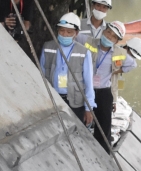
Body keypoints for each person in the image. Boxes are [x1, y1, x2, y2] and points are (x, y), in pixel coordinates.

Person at [84, 20, 136, 149]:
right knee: (83, 121)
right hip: (86, 89)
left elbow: (133, 64)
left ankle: (103, 155)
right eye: (108, 32)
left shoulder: (119, 53)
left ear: (117, 41)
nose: (109, 37)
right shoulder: (89, 42)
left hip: (104, 92)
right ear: (103, 31)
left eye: (113, 36)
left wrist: (119, 70)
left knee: (103, 128)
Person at [40, 12, 95, 127]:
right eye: (61, 30)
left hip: (75, 102)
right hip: (52, 100)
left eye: (69, 32)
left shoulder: (84, 52)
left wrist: (88, 108)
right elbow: (42, 75)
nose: (64, 34)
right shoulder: (47, 47)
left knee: (75, 132)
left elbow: (89, 83)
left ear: (76, 33)